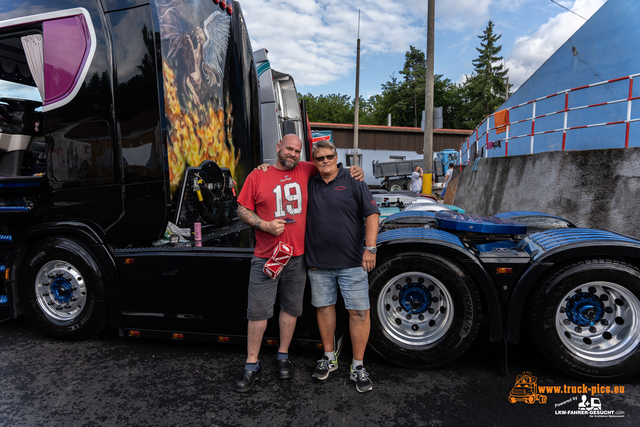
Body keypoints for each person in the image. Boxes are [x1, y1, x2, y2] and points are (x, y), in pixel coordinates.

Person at [233, 134, 363, 393]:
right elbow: (242, 209)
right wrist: (264, 224)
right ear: (278, 145)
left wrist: (353, 170)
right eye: (289, 148)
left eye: (297, 151)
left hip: (297, 256)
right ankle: (251, 364)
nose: (292, 154)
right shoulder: (258, 175)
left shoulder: (306, 169)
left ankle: (283, 355)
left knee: (290, 309)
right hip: (266, 256)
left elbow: (330, 165)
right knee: (258, 312)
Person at [306, 140, 380, 393]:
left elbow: (372, 213)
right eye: (320, 158)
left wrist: (370, 249)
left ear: (337, 157)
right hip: (318, 262)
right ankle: (329, 357)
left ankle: (358, 366)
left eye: (330, 157)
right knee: (324, 309)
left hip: (352, 261)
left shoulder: (353, 179)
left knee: (359, 312)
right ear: (313, 161)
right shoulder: (309, 182)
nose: (325, 161)